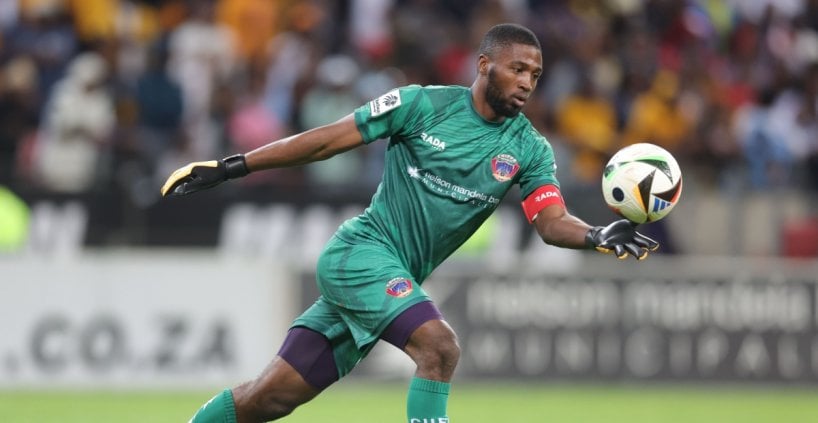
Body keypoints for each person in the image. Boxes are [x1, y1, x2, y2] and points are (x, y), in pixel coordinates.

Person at [161, 23, 659, 423]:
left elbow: (551, 222)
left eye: (536, 74)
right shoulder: (421, 105)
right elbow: (327, 140)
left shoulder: (529, 147)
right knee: (439, 348)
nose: (528, 82)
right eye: (518, 69)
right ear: (485, 65)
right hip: (361, 255)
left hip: (391, 280)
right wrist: (233, 166)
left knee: (265, 401)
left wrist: (595, 234)